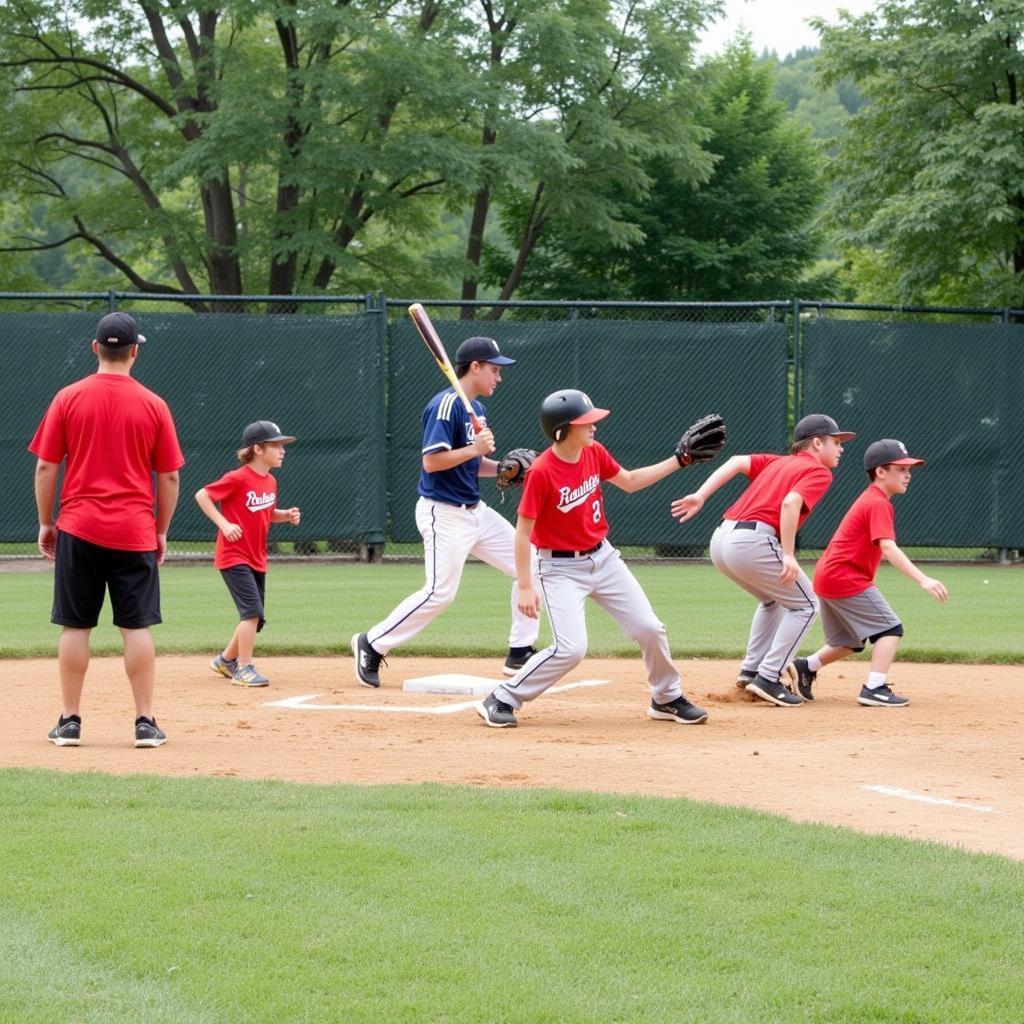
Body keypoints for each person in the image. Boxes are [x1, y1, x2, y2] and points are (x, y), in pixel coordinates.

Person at [477, 390, 723, 728]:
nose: (594, 426)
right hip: (558, 568)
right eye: (586, 422)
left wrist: (679, 460)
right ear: (563, 430)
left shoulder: (594, 452)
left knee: (650, 628)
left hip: (604, 559)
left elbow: (631, 481)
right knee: (571, 648)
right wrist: (524, 585)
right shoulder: (542, 472)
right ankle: (503, 697)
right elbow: (522, 533)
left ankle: (666, 697)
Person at [29, 311, 184, 748]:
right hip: (134, 530)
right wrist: (161, 529)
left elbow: (45, 465)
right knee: (136, 627)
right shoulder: (154, 404)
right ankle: (145, 723)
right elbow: (169, 477)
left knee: (76, 626)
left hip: (77, 527)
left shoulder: (68, 397)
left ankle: (70, 721)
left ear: (95, 348)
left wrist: (46, 522)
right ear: (135, 350)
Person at [351, 336, 540, 687]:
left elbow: (473, 462)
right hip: (444, 513)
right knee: (440, 593)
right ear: (475, 367)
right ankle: (372, 642)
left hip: (475, 511)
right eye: (495, 370)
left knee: (530, 564)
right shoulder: (445, 405)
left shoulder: (476, 409)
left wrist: (501, 468)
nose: (499, 378)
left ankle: (519, 651)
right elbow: (432, 461)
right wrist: (474, 448)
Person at [670, 413, 856, 708]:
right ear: (817, 443)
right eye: (836, 442)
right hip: (751, 541)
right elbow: (791, 503)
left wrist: (701, 495)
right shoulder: (818, 471)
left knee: (773, 601)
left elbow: (735, 462)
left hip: (721, 540)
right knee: (807, 605)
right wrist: (789, 555)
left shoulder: (779, 462)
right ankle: (769, 677)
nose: (841, 448)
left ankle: (751, 671)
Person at [786, 439, 949, 707]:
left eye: (909, 470)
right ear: (880, 472)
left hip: (828, 576)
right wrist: (924, 579)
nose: (908, 475)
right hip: (844, 577)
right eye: (901, 469)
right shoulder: (878, 502)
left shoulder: (874, 500)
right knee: (890, 629)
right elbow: (888, 547)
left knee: (849, 641)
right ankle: (874, 687)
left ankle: (806, 666)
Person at [195, 421, 301, 687]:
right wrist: (224, 524)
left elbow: (266, 512)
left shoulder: (270, 480)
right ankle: (244, 668)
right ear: (257, 448)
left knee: (256, 617)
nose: (282, 450)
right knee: (251, 611)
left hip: (256, 557)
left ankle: (225, 661)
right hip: (234, 556)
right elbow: (202, 495)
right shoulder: (238, 477)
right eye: (275, 445)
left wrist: (284, 515)